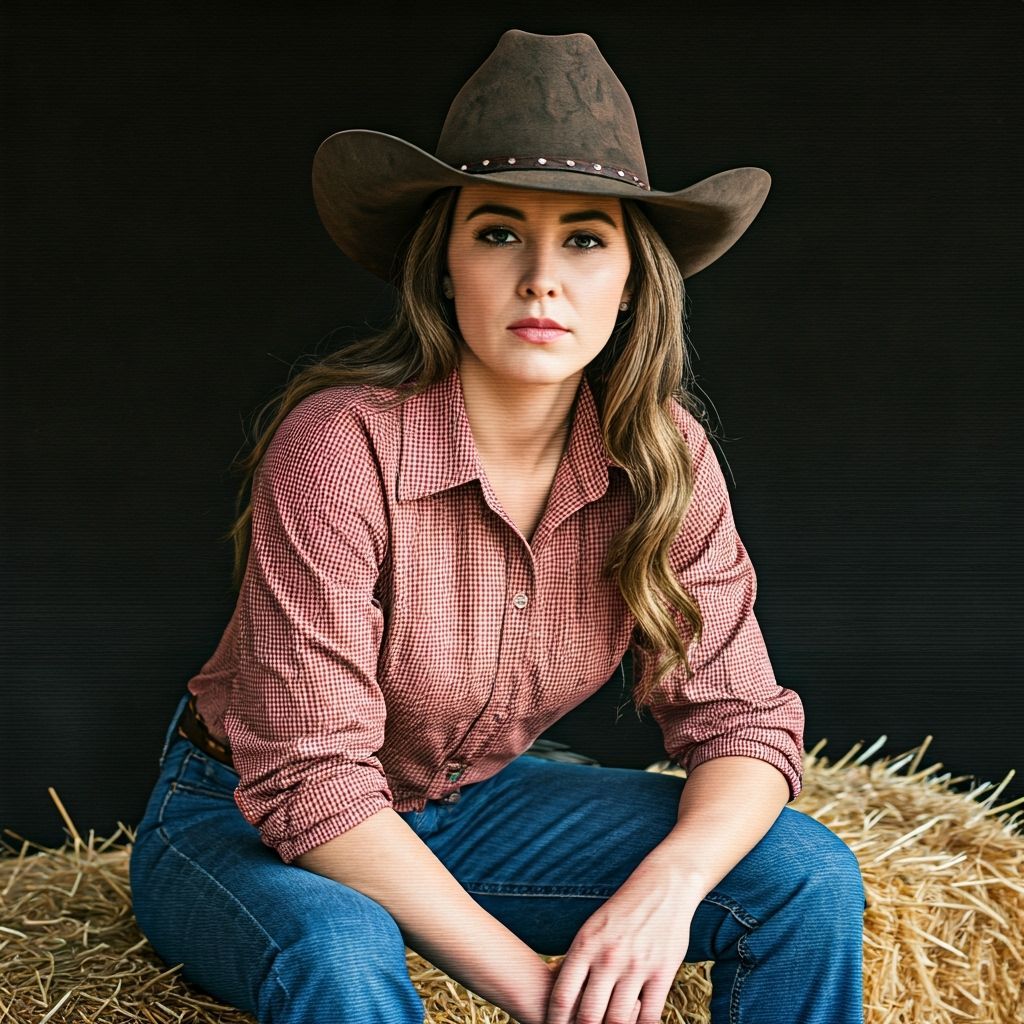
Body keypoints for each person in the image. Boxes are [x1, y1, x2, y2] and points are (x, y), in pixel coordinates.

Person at [128, 28, 866, 1024]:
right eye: (498, 232)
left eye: (585, 239)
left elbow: (739, 720)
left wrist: (666, 889)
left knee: (802, 874)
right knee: (339, 950)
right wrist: (541, 991)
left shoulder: (663, 457)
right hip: (241, 821)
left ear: (632, 280)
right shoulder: (340, 445)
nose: (540, 278)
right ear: (443, 265)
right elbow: (310, 780)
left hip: (467, 810)